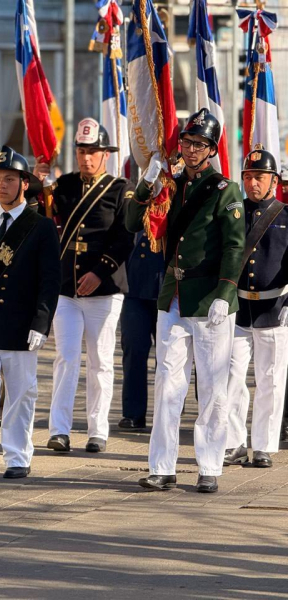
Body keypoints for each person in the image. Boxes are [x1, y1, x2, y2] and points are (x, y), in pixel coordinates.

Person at [128, 108, 244, 494]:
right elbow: (132, 222)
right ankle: (162, 466)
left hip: (210, 299)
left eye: (200, 144)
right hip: (173, 296)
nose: (191, 149)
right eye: (187, 142)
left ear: (211, 149)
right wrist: (146, 183)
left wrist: (225, 293)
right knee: (167, 383)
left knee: (211, 387)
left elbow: (235, 246)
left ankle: (209, 465)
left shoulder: (224, 190)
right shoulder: (171, 186)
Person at [35, 118, 134, 453]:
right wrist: (37, 185)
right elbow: (43, 220)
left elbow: (125, 238)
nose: (86, 157)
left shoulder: (120, 190)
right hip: (67, 288)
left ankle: (97, 430)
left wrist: (100, 272)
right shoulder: (63, 185)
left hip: (104, 290)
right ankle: (59, 430)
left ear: (106, 154)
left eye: (93, 151)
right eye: (81, 151)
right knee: (65, 358)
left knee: (100, 360)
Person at [0, 146, 60, 481]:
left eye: (9, 179)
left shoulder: (40, 226)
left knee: (21, 392)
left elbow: (50, 280)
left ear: (24, 183)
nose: (1, 185)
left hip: (22, 322)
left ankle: (18, 456)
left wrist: (41, 322)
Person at [225, 148, 288, 469]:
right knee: (232, 377)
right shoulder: (233, 214)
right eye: (248, 177)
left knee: (270, 381)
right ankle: (234, 442)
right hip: (238, 309)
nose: (252, 183)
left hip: (273, 308)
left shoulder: (285, 216)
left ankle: (263, 445)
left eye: (259, 177)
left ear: (274, 181)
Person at [119, 231, 165, 430]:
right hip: (135, 286)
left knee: (168, 357)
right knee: (133, 349)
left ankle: (168, 411)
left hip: (168, 287)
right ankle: (133, 413)